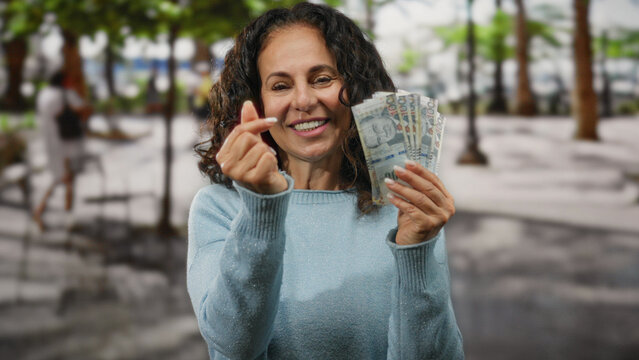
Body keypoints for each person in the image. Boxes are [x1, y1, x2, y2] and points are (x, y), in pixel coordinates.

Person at [188, 3, 463, 359]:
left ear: (357, 90)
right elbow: (235, 346)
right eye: (281, 85)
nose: (303, 100)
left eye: (322, 79)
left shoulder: (403, 205)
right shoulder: (219, 208)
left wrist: (417, 249)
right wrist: (261, 209)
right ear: (255, 103)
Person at [33, 71, 90, 231]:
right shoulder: (67, 94)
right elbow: (84, 110)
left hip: (50, 142)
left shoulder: (44, 94)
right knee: (66, 178)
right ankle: (64, 216)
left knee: (60, 177)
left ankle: (47, 211)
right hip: (67, 142)